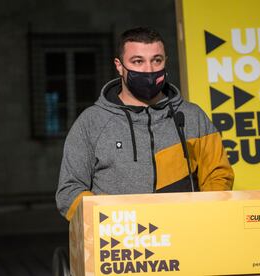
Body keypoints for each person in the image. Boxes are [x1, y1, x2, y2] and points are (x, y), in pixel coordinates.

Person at [56, 27, 234, 220]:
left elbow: (218, 175)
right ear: (119, 65)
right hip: (119, 242)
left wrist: (206, 218)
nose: (149, 70)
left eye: (156, 60)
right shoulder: (91, 122)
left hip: (185, 235)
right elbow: (69, 191)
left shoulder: (193, 116)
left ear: (165, 61)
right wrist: (109, 224)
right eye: (138, 61)